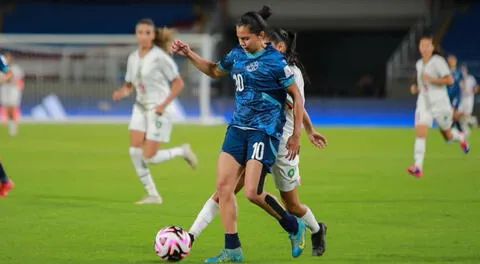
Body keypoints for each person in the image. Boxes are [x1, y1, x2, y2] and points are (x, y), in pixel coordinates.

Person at [172, 6, 307, 262]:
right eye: (239, 38)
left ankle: (293, 225)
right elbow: (213, 70)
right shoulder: (236, 55)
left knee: (252, 193)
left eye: (246, 38)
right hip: (237, 128)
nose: (242, 43)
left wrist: (297, 134)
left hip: (263, 132)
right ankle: (232, 249)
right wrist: (189, 53)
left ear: (261, 36)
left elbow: (297, 97)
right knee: (223, 189)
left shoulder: (276, 62)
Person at [187, 28, 328, 257]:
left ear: (278, 47)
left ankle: (315, 228)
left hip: (282, 144)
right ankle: (191, 236)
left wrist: (305, 133)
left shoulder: (287, 70)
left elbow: (295, 104)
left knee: (291, 204)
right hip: (254, 136)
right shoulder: (254, 61)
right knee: (226, 190)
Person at [112, 19, 198, 205]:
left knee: (149, 157)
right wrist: (122, 92)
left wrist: (163, 105)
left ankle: (181, 151)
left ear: (153, 35)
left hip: (159, 110)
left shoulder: (160, 57)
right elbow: (129, 85)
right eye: (140, 32)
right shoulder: (133, 58)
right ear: (136, 34)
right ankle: (153, 194)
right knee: (134, 150)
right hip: (140, 107)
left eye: (147, 32)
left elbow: (178, 83)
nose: (143, 35)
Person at [408, 36, 470, 178]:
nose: (424, 48)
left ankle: (460, 137)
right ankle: (418, 166)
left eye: (427, 46)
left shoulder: (439, 62)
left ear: (432, 48)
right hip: (424, 103)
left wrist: (432, 80)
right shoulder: (419, 64)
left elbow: (450, 81)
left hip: (440, 104)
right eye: (422, 46)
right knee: (421, 132)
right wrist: (416, 88)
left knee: (447, 136)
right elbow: (422, 83)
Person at [0, 53, 25, 137]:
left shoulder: (16, 68)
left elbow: (15, 79)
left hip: (14, 89)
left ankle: (13, 127)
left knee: (13, 108)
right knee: (6, 107)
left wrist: (7, 78)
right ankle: (9, 124)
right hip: (5, 89)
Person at [459, 64, 478, 136]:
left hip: (469, 98)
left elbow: (476, 87)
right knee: (461, 115)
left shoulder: (471, 78)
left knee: (466, 114)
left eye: (464, 69)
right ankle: (472, 121)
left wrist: (472, 92)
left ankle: (467, 130)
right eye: (461, 70)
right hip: (461, 98)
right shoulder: (459, 78)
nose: (463, 71)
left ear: (466, 70)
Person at [446, 55, 464, 132]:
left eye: (453, 61)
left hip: (456, 95)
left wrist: (462, 93)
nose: (451, 62)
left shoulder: (458, 72)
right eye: (450, 61)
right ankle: (456, 127)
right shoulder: (445, 71)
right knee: (449, 111)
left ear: (455, 62)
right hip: (447, 95)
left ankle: (456, 127)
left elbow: (462, 83)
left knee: (454, 111)